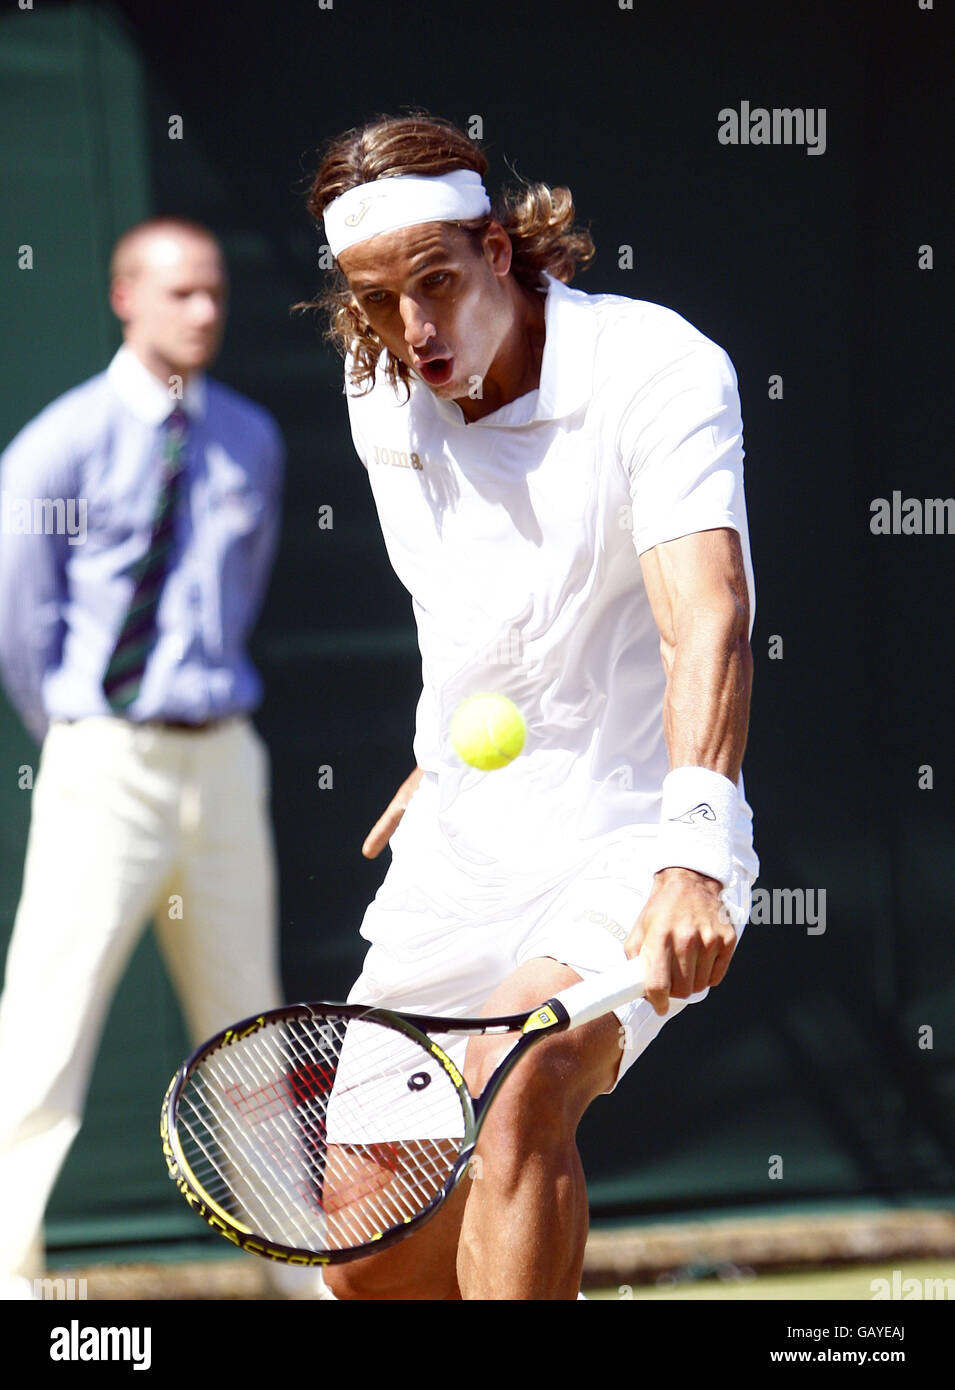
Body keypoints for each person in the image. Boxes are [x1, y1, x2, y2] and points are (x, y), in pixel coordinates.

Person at [302, 114, 760, 1302]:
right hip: (464, 839)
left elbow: (702, 614)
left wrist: (694, 853)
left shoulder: (656, 368)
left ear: (501, 249)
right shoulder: (377, 383)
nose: (412, 330)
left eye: (437, 283)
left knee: (520, 1085)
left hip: (630, 828)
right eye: (372, 300)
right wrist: (440, 745)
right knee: (364, 1244)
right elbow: (469, 595)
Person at [0, 218, 310, 1299]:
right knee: (45, 1028)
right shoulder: (57, 444)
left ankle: (296, 1279)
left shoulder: (252, 440)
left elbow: (242, 589)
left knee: (251, 1032)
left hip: (224, 760)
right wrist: (84, 737)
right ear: (125, 298)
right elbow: (21, 617)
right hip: (103, 762)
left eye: (217, 292)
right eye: (181, 293)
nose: (206, 312)